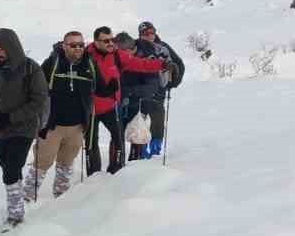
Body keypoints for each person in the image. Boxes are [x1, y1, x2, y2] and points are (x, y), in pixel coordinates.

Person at [0, 27, 48, 226]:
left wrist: (11, 117)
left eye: (0, 49)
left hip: (24, 128)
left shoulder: (31, 68)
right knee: (5, 164)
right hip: (2, 128)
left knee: (12, 167)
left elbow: (38, 100)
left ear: (11, 47)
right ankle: (16, 202)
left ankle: (16, 214)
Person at [24, 31, 95, 201]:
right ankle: (27, 196)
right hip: (52, 126)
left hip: (77, 126)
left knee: (66, 163)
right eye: (73, 45)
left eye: (81, 44)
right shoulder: (52, 63)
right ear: (64, 46)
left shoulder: (89, 64)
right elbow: (35, 87)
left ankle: (61, 197)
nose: (78, 48)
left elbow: (98, 86)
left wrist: (110, 88)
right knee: (42, 162)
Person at [86, 26, 162, 174]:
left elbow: (140, 64)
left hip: (111, 105)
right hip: (91, 107)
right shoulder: (86, 55)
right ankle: (92, 176)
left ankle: (116, 172)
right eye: (106, 40)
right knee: (90, 143)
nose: (110, 43)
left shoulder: (116, 54)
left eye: (111, 39)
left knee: (118, 138)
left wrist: (162, 65)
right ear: (96, 41)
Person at [124, 20, 185, 158]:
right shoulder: (134, 47)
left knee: (157, 119)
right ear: (140, 34)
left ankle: (155, 150)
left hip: (159, 89)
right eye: (146, 33)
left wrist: (174, 81)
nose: (150, 35)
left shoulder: (163, 47)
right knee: (139, 122)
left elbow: (179, 64)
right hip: (139, 91)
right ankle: (139, 151)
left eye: (152, 32)